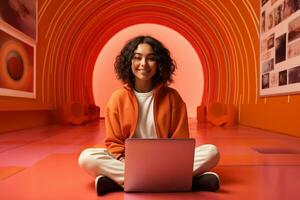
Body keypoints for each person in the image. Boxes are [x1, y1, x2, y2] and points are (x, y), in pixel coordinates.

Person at [78, 36, 220, 195]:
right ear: (129, 62)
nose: (143, 64)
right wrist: (125, 162)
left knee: (211, 152)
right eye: (137, 58)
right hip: (129, 162)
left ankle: (125, 182)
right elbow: (114, 143)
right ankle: (182, 181)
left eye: (151, 58)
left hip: (166, 162)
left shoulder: (173, 98)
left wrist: (168, 162)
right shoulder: (117, 99)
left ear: (159, 63)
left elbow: (181, 142)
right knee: (86, 157)